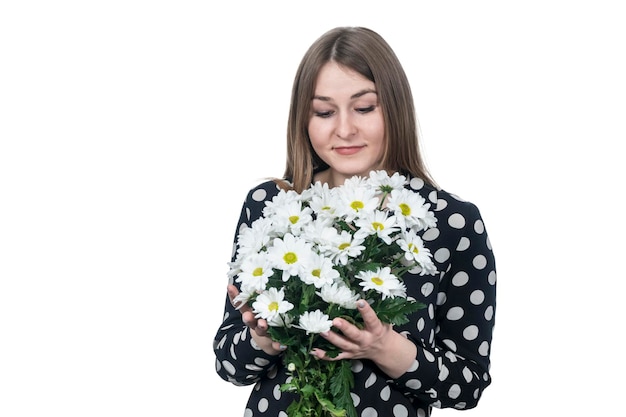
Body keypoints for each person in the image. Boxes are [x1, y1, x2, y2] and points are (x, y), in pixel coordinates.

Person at [213, 26, 496, 417]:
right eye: (324, 112)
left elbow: (466, 387)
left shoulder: (451, 223)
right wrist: (264, 338)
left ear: (395, 108)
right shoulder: (271, 205)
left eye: (364, 108)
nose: (344, 129)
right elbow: (229, 365)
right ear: (303, 119)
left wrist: (385, 347)